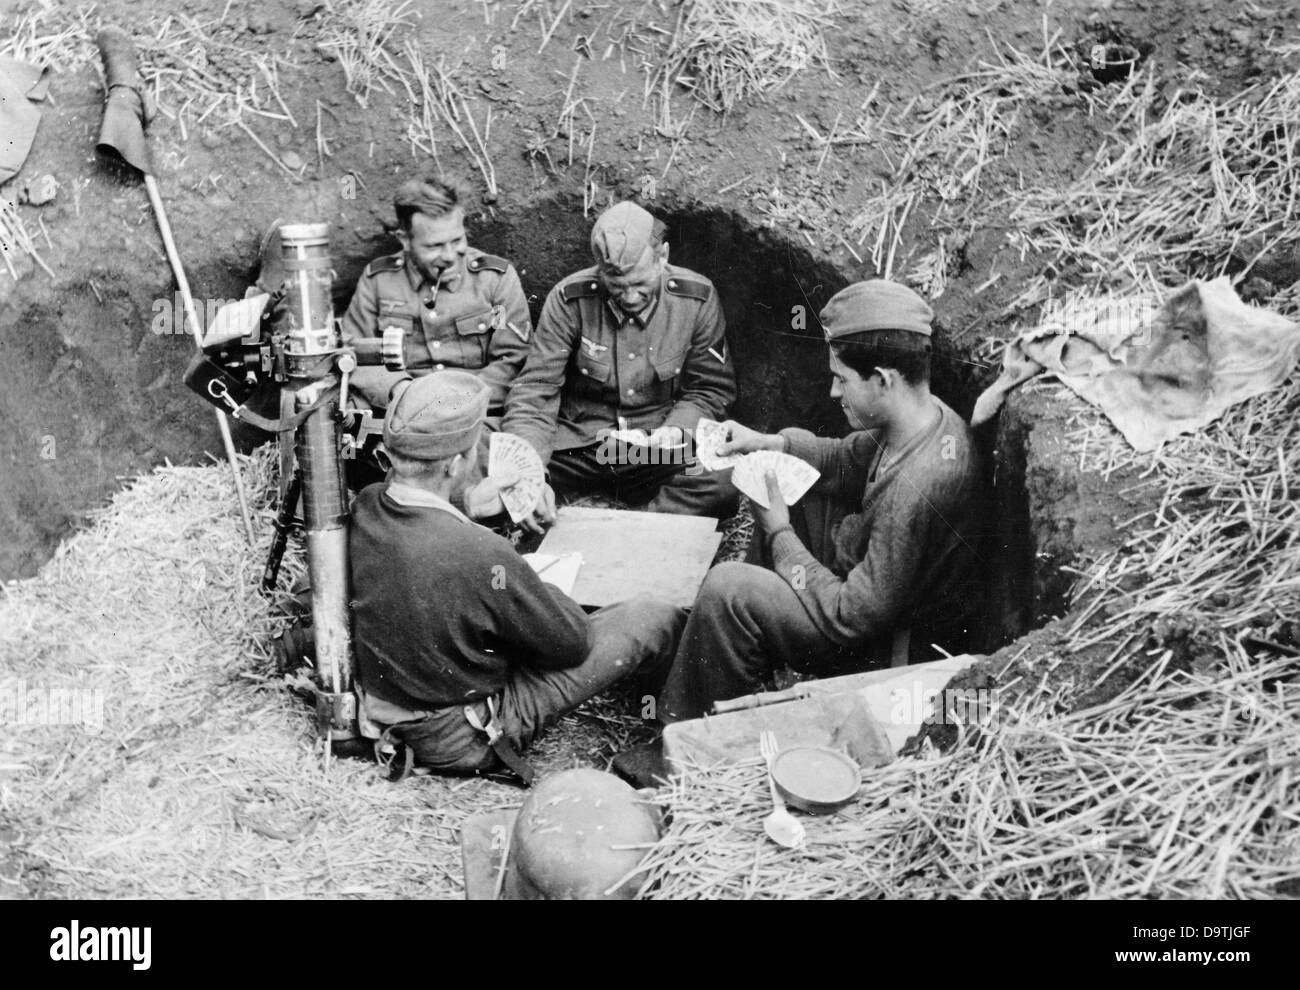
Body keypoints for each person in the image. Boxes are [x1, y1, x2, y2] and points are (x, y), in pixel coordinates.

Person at [656, 280, 987, 722]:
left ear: (883, 380)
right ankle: (738, 651)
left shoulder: (918, 485)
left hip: (879, 652)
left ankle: (684, 737)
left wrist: (779, 533)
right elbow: (845, 461)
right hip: (872, 595)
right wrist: (767, 443)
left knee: (727, 589)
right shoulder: (922, 417)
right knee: (793, 483)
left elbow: (851, 618)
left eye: (842, 379)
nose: (834, 393)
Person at [349, 371, 684, 779]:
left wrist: (467, 506)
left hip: (389, 710)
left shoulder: (367, 506)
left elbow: (422, 541)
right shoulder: (480, 553)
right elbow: (572, 643)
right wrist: (540, 586)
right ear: (457, 463)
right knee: (652, 615)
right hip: (461, 738)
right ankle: (666, 724)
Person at [501, 201, 738, 516]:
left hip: (656, 450)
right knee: (493, 458)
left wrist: (676, 430)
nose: (629, 298)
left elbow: (711, 388)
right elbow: (535, 390)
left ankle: (645, 529)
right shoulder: (569, 299)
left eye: (640, 284)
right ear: (600, 269)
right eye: (616, 287)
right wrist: (529, 474)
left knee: (722, 479)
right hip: (583, 447)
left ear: (663, 256)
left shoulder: (695, 299)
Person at [341, 178, 532, 416]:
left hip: (475, 416)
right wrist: (400, 391)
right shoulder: (379, 281)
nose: (451, 256)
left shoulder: (495, 279)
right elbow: (351, 353)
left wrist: (454, 405)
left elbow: (513, 361)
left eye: (457, 240)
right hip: (400, 416)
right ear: (405, 240)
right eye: (435, 246)